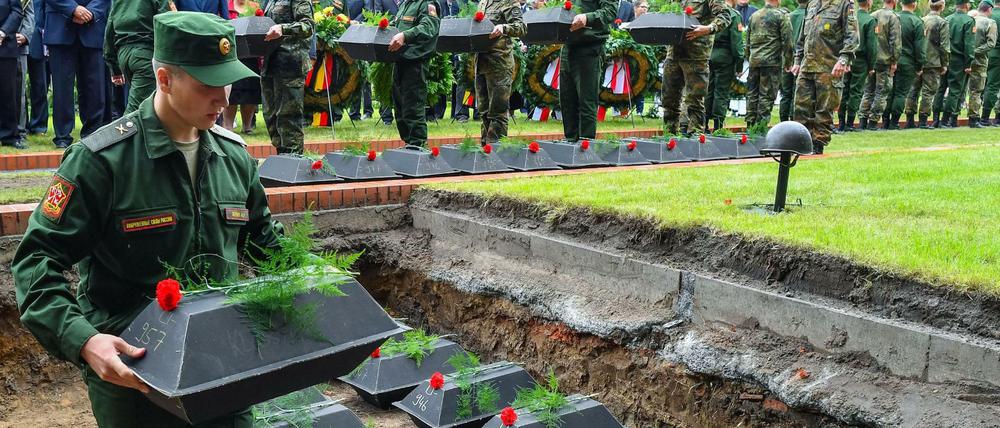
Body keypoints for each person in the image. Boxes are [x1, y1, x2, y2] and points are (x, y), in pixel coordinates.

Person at [12, 12, 282, 427]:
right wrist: (85, 341)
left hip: (223, 362)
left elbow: (268, 245)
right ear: (164, 79)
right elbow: (36, 261)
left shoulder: (234, 157)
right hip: (136, 373)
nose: (224, 99)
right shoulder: (102, 162)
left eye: (226, 82)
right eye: (207, 84)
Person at [791, 0, 859, 154]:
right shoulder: (812, 4)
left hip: (829, 67)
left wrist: (843, 60)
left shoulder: (844, 4)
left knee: (824, 109)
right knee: (800, 107)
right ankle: (802, 143)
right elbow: (803, 37)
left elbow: (852, 36)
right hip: (807, 65)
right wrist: (797, 60)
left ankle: (817, 145)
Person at [43, 0, 109, 148]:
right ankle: (62, 136)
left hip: (94, 27)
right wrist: (73, 8)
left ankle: (93, 133)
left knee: (94, 86)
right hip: (60, 27)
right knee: (62, 88)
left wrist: (91, 12)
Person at [661, 0, 731, 136]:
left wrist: (708, 28)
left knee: (695, 100)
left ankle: (696, 137)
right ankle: (669, 137)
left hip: (696, 54)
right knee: (669, 99)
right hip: (673, 53)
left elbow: (725, 15)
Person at [558, 0, 616, 141]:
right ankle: (571, 141)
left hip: (590, 46)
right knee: (567, 99)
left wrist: (587, 17)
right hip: (568, 45)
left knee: (586, 99)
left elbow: (611, 11)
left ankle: (585, 144)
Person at [104, 0, 176, 113]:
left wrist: (115, 68)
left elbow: (109, 31)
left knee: (150, 108)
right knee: (135, 113)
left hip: (124, 54)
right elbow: (167, 23)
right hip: (145, 55)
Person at [261, 0, 313, 154]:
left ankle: (293, 161)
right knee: (271, 117)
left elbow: (308, 26)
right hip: (270, 63)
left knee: (289, 118)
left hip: (290, 65)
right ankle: (282, 157)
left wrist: (283, 28)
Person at [386, 0, 441, 146]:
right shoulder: (405, 4)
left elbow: (429, 27)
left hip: (415, 62)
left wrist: (405, 35)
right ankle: (408, 144)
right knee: (400, 109)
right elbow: (397, 28)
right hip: (400, 60)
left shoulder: (427, 4)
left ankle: (418, 145)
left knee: (413, 108)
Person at [475, 0, 525, 146]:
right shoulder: (484, 2)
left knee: (497, 111)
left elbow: (521, 27)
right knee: (483, 110)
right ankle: (485, 147)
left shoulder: (509, 3)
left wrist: (504, 27)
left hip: (499, 63)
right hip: (481, 61)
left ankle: (496, 150)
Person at [743, 0, 792, 129]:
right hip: (772, 63)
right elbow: (787, 42)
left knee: (752, 94)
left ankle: (750, 125)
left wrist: (750, 57)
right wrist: (788, 62)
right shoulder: (781, 16)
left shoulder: (754, 15)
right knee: (766, 96)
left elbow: (747, 41)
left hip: (754, 61)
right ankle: (760, 128)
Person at [905, 0, 948, 129]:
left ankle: (910, 120)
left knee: (913, 90)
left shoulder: (920, 20)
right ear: (942, 6)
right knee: (928, 92)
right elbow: (944, 46)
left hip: (918, 61)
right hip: (933, 62)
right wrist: (944, 63)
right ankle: (923, 120)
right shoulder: (942, 23)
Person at [857, 0, 899, 131]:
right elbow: (895, 41)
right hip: (885, 60)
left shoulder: (873, 15)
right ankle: (873, 122)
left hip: (873, 59)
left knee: (868, 91)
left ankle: (862, 120)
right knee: (882, 91)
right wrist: (894, 60)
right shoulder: (893, 17)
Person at [933, 0, 975, 128]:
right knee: (955, 91)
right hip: (959, 60)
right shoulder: (969, 21)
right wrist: (969, 63)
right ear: (966, 5)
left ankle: (936, 119)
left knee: (941, 88)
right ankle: (946, 120)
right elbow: (969, 44)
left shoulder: (946, 18)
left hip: (945, 59)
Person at [223, 0, 262, 134]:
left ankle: (247, 126)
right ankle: (227, 125)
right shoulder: (226, 6)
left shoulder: (255, 8)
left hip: (251, 55)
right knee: (232, 92)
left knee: (249, 92)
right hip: (232, 54)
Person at [836, 0, 874, 132]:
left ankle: (841, 123)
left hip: (846, 58)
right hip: (861, 60)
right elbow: (871, 47)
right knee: (856, 91)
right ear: (869, 2)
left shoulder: (850, 16)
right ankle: (850, 123)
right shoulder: (870, 20)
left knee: (844, 90)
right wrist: (871, 65)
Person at [705, 0, 743, 131]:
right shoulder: (733, 15)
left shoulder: (710, 12)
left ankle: (703, 123)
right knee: (721, 92)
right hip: (725, 58)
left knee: (708, 90)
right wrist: (739, 65)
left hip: (709, 54)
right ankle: (718, 125)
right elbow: (736, 44)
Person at [890, 0, 923, 129]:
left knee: (890, 93)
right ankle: (894, 123)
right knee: (901, 93)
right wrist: (920, 66)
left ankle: (886, 121)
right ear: (914, 4)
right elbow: (919, 48)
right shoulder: (916, 21)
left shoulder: (893, 18)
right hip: (908, 62)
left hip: (891, 60)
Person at [967, 1, 996, 128]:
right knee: (976, 90)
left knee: (961, 90)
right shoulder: (990, 23)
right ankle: (974, 119)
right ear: (989, 9)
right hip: (980, 60)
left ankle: (950, 119)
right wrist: (976, 51)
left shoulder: (970, 20)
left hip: (965, 60)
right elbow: (991, 43)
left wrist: (968, 53)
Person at [0, 0, 24, 149]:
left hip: (5, 45)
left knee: (8, 93)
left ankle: (9, 135)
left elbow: (17, 12)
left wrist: (3, 32)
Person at [778, 0, 806, 122]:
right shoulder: (810, 16)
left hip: (787, 57)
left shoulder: (789, 16)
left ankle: (783, 121)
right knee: (798, 93)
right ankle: (794, 120)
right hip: (802, 58)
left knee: (786, 92)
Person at [24, 0, 47, 136]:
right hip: (17, 38)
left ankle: (39, 126)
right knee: (17, 86)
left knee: (39, 85)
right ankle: (22, 125)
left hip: (38, 39)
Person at [15, 0, 34, 142]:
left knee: (18, 91)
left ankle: (19, 131)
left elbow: (29, 15)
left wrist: (25, 35)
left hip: (18, 46)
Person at [984, 0, 1000, 125]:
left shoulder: (987, 15)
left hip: (986, 54)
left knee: (987, 85)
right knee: (993, 86)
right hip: (997, 55)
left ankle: (983, 116)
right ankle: (988, 117)